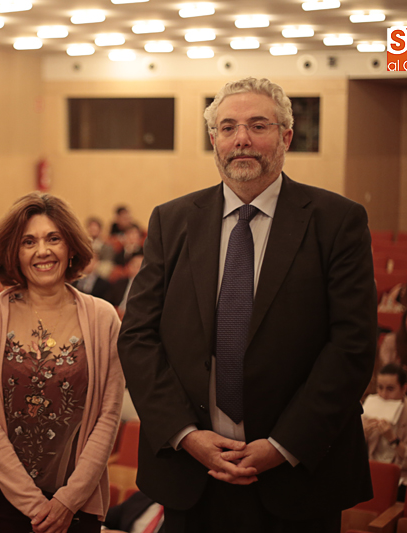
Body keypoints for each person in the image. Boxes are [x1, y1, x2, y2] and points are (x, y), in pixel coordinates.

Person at [118, 77, 378, 532]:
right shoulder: (171, 221)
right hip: (191, 472)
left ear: (286, 137)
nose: (242, 139)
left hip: (300, 476)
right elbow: (138, 336)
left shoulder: (337, 222)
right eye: (228, 127)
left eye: (259, 125)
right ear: (213, 139)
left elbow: (352, 347)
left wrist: (281, 445)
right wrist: (187, 435)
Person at [0, 192, 124, 533]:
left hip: (77, 503)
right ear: (14, 253)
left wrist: (69, 499)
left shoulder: (103, 318)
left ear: (71, 247)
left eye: (54, 238)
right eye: (28, 242)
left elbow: (108, 416)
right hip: (5, 499)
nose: (43, 251)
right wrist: (32, 503)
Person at [362, 364, 407, 500]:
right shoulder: (369, 408)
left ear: (404, 388)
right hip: (369, 473)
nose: (383, 395)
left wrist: (394, 440)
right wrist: (362, 435)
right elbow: (350, 451)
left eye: (390, 389)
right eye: (380, 388)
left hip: (401, 478)